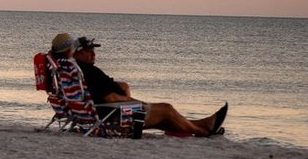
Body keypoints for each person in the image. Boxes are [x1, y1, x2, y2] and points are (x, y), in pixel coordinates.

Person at [71, 35, 226, 137]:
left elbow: (103, 90)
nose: (93, 54)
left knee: (164, 117)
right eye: (88, 51)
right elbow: (110, 97)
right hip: (115, 115)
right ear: (77, 53)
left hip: (101, 112)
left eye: (93, 51)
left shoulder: (76, 70)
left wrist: (121, 87)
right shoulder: (89, 71)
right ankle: (203, 132)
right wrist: (135, 102)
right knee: (166, 109)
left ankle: (203, 123)